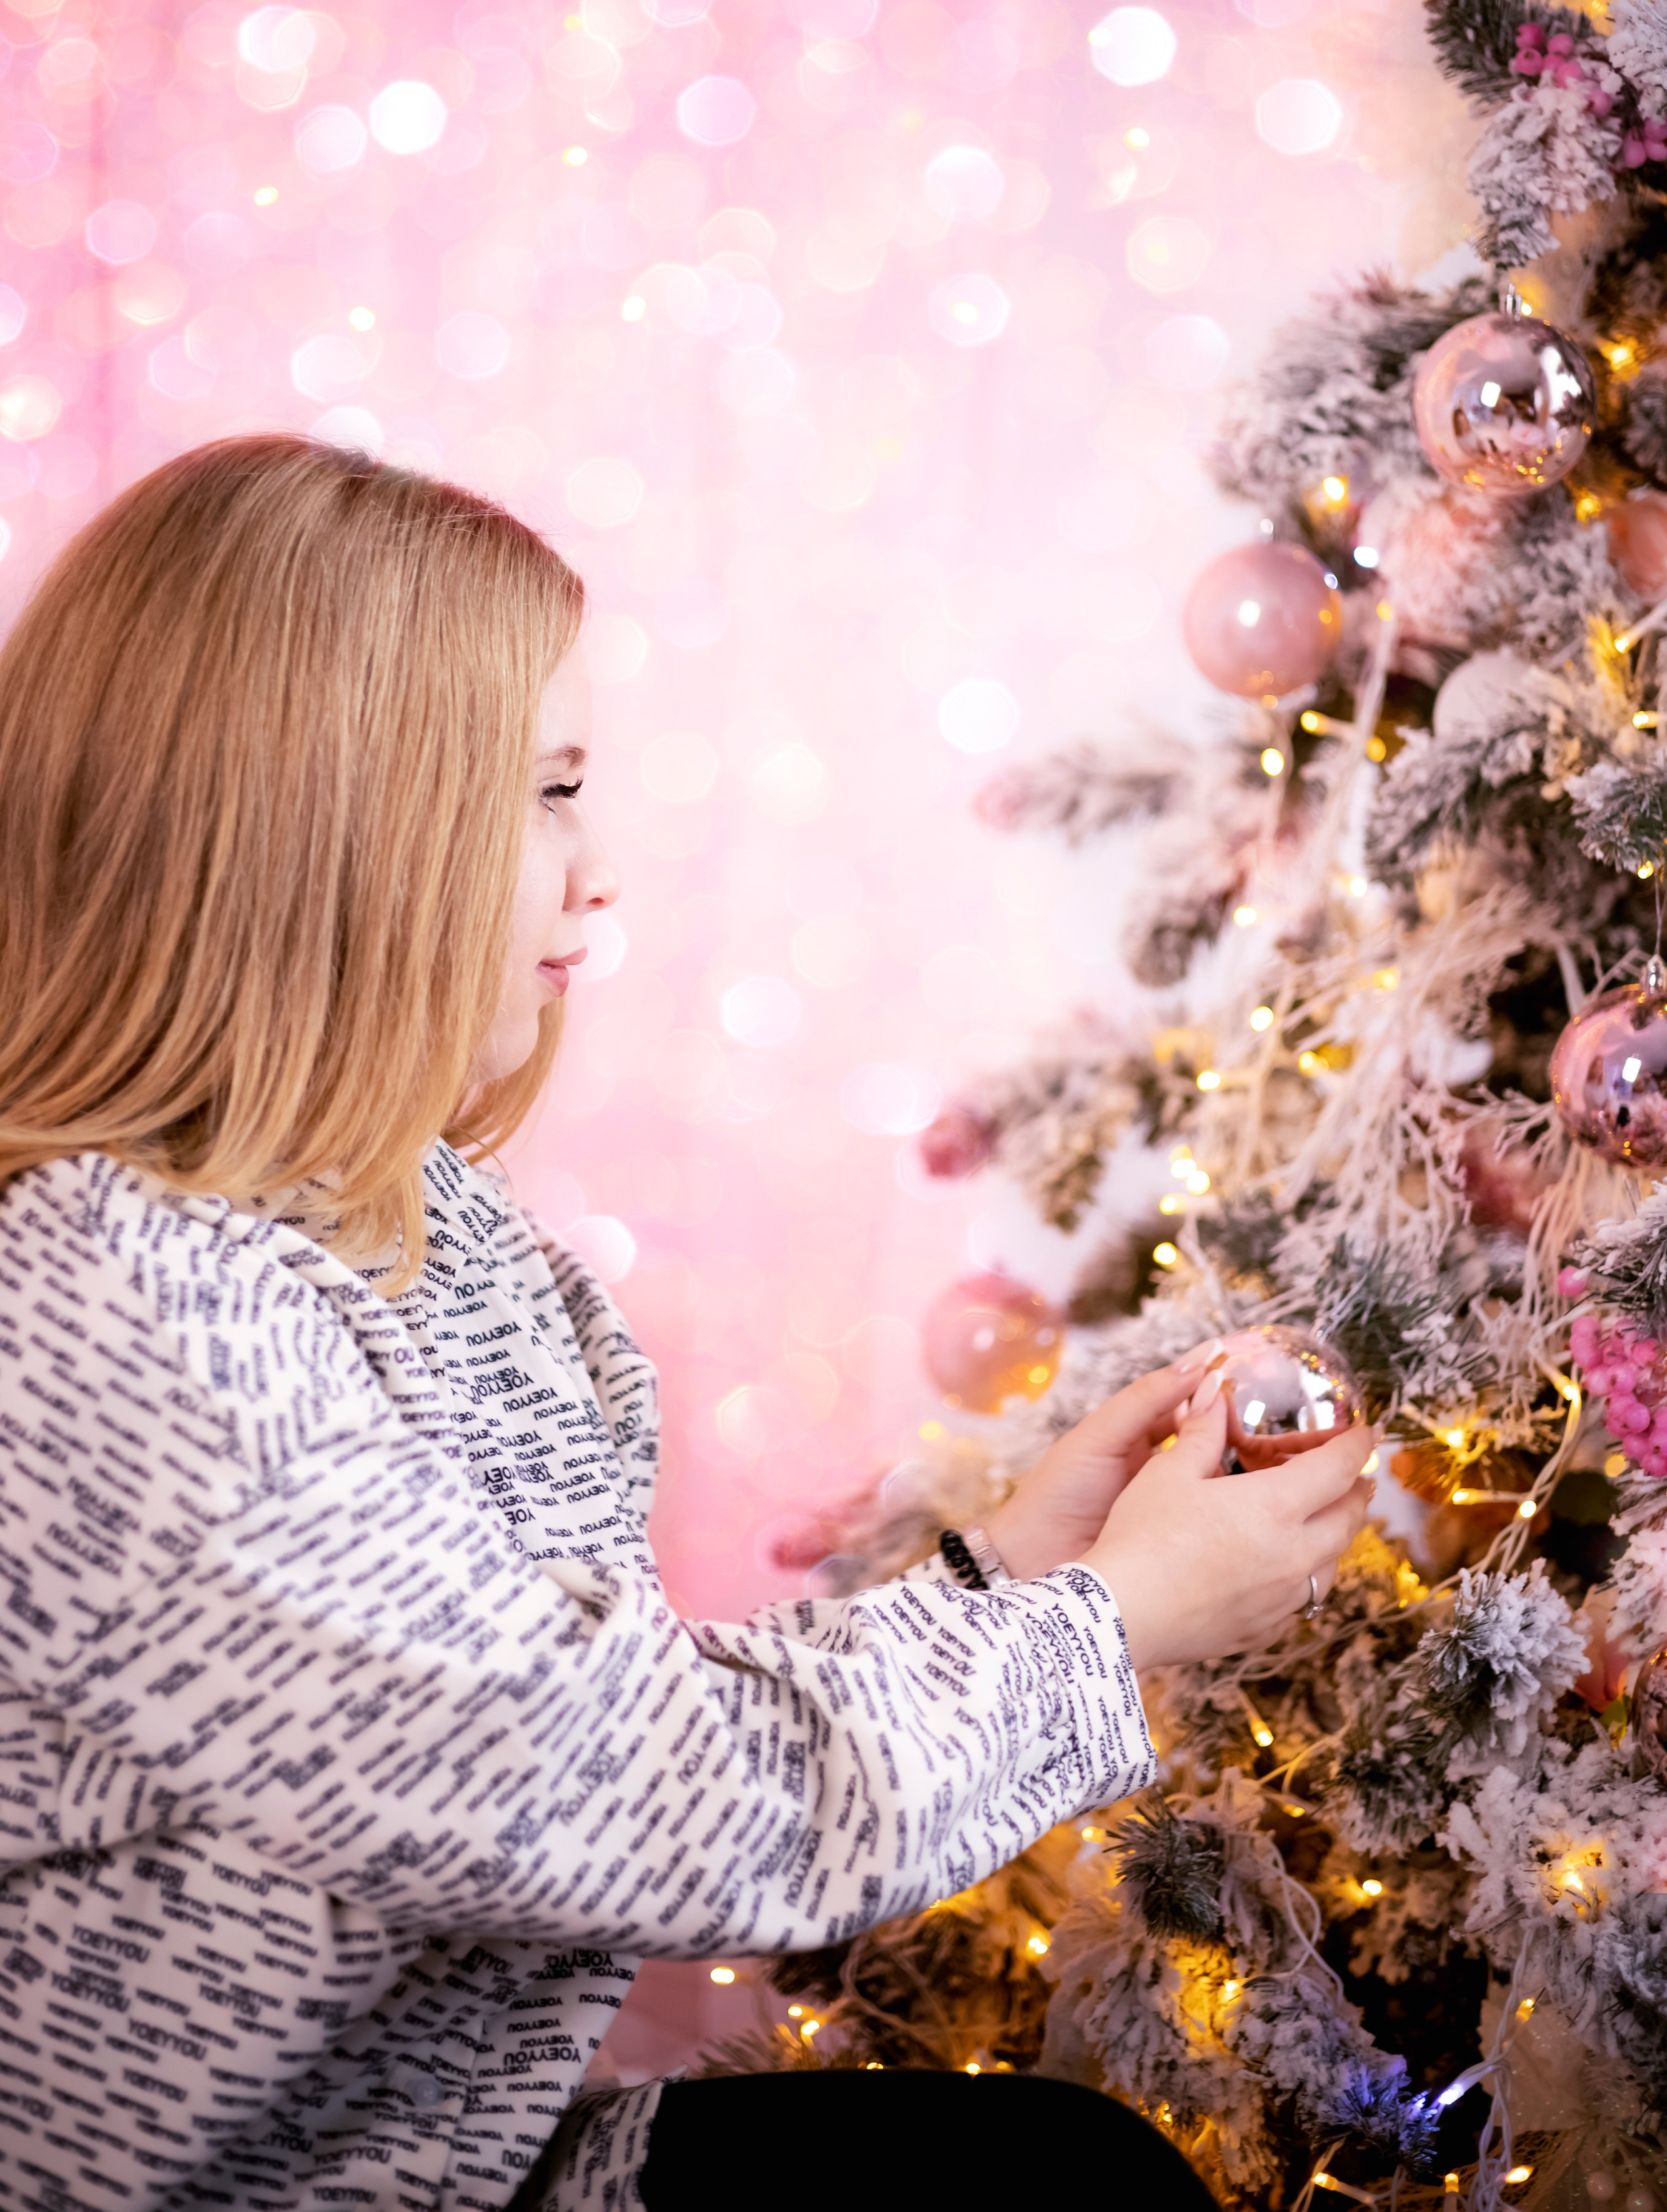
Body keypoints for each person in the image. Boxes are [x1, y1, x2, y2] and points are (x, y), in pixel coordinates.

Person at [0, 438, 1374, 2212]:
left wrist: (1009, 1584)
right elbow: (628, 1792)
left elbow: (586, 1700)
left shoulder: (395, 1221)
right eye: (550, 792)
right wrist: (1114, 1628)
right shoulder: (129, 1317)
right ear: (338, 834)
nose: (599, 877)